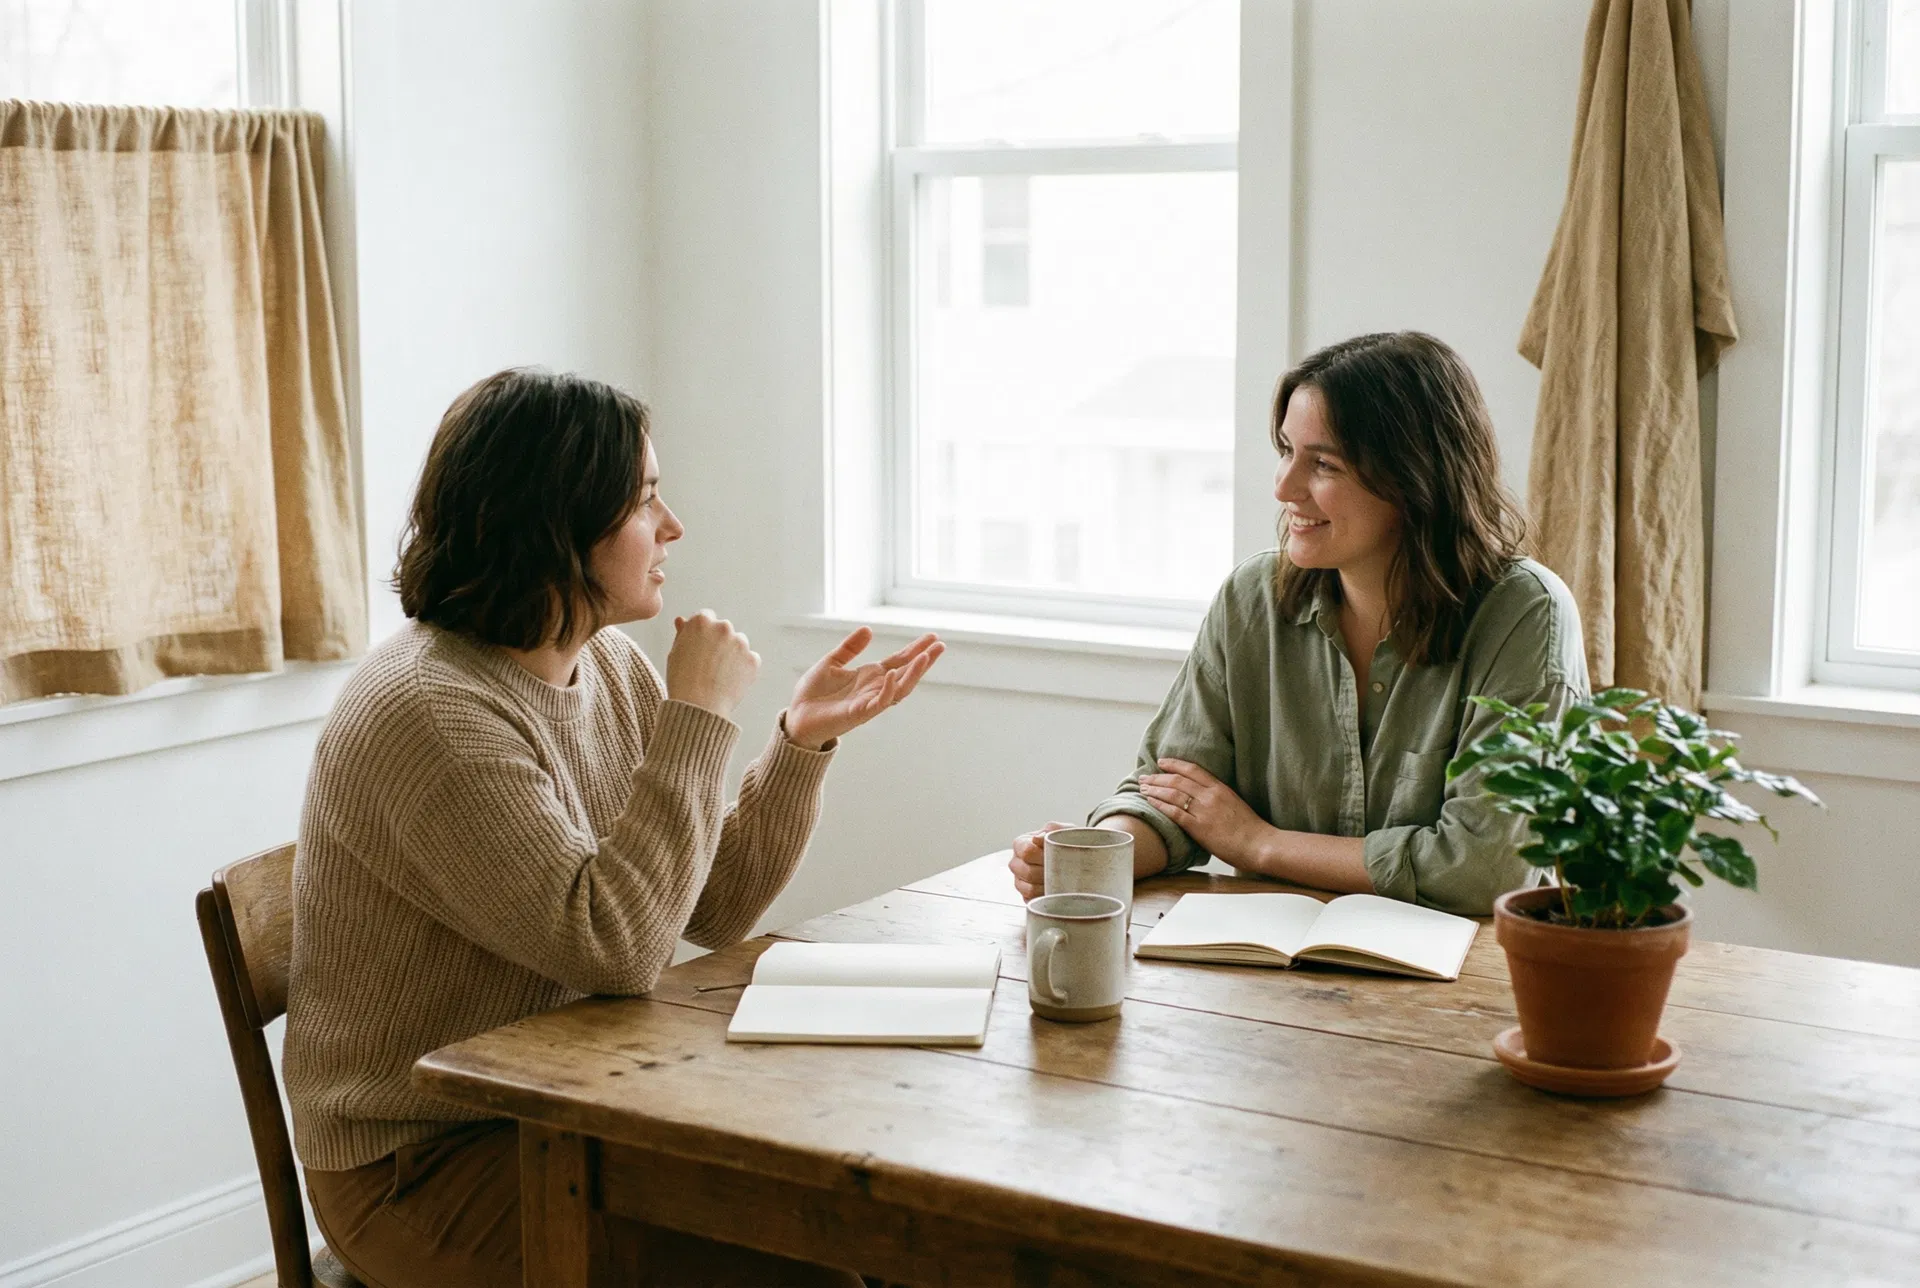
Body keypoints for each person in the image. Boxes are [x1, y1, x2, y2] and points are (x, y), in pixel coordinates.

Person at [284, 368, 941, 1287]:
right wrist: (701, 716)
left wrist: (796, 743)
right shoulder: (430, 711)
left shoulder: (610, 667)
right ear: (555, 527)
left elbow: (711, 906)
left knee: (865, 1229)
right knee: (808, 1275)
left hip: (568, 1101)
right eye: (644, 502)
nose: (672, 528)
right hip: (422, 1160)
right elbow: (615, 946)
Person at [1010, 332, 1588, 915]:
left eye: (1323, 464)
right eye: (1286, 451)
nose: (1284, 488)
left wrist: (1260, 843)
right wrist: (1095, 854)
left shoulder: (1526, 612)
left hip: (1465, 985)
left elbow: (1485, 867)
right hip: (1269, 975)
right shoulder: (1251, 599)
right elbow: (1174, 792)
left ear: (1414, 478)